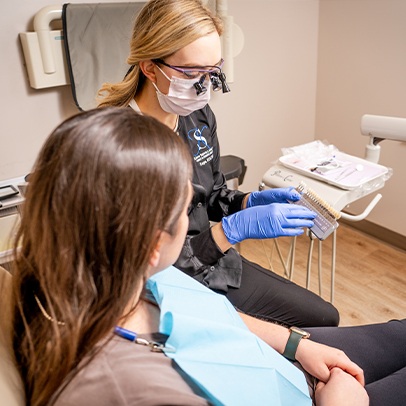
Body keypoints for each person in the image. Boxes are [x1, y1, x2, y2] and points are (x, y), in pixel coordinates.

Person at [10, 108, 406, 406]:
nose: (191, 215)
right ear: (150, 245)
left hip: (281, 363)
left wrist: (294, 345)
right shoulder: (127, 387)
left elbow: (203, 311)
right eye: (184, 211)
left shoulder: (106, 271)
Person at [97, 0, 339, 328]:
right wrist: (232, 230)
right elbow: (142, 266)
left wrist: (246, 202)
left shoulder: (197, 116)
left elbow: (211, 195)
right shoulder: (114, 145)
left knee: (325, 317)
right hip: (161, 288)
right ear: (149, 66)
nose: (204, 86)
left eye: (212, 72)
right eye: (191, 73)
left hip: (216, 264)